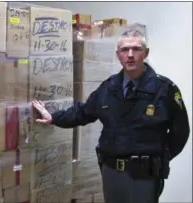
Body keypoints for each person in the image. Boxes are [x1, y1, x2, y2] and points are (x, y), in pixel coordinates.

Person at [32, 29, 190, 203]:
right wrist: (54, 117)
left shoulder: (164, 89)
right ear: (118, 55)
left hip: (145, 174)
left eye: (136, 49)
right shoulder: (108, 88)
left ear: (146, 53)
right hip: (111, 172)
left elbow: (181, 131)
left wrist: (161, 157)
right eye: (125, 49)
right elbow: (83, 112)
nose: (130, 55)